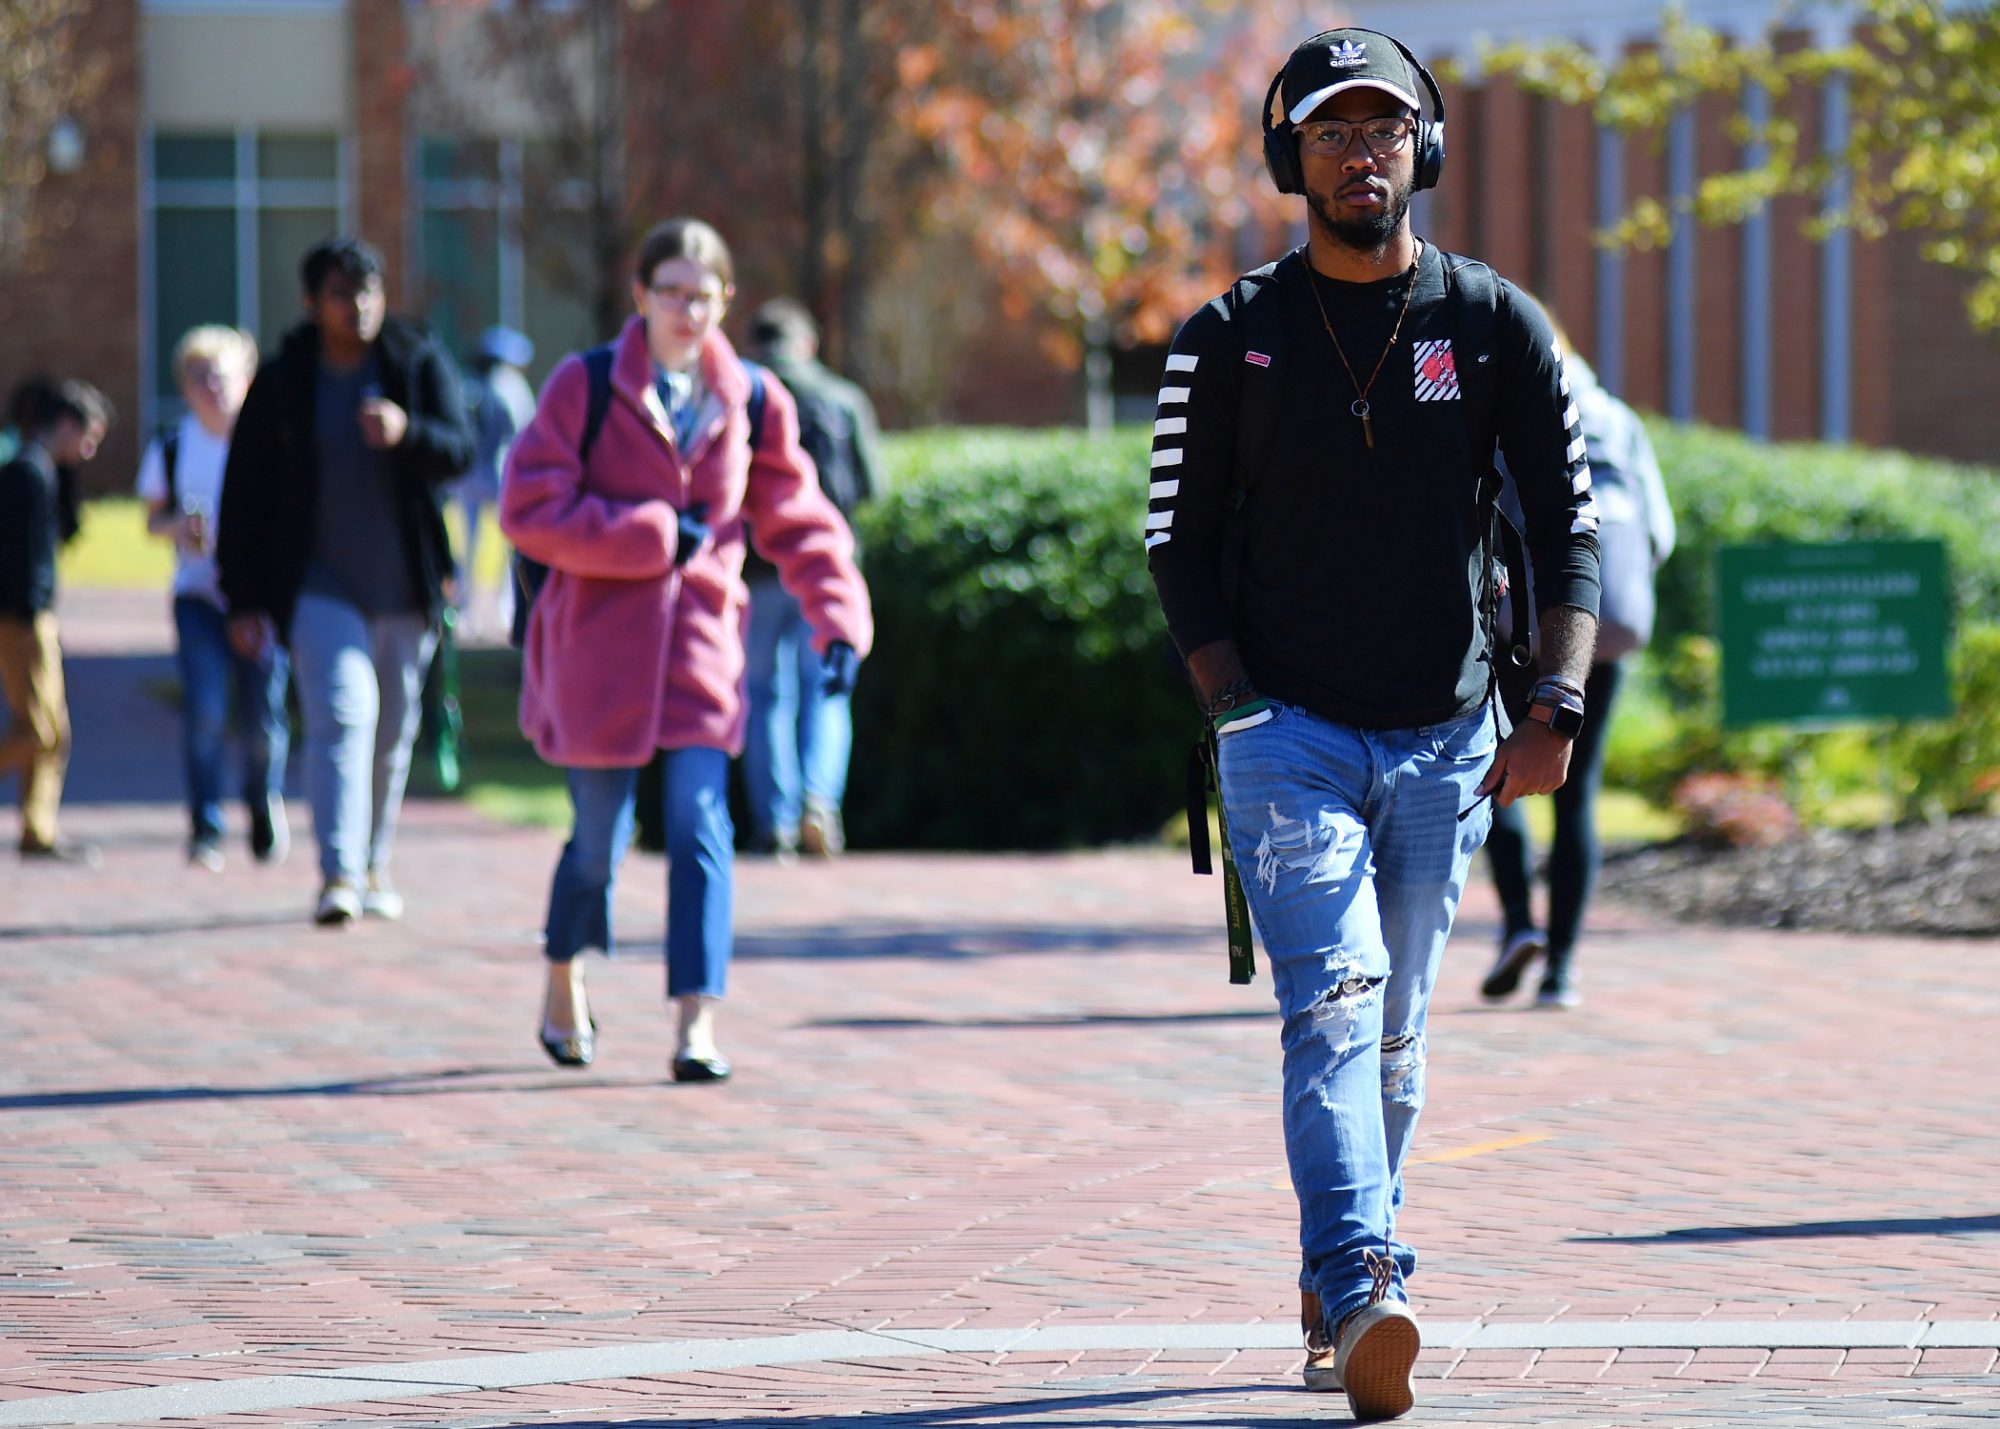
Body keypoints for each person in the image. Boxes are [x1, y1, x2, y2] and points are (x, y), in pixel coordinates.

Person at [1145, 29, 1601, 1421]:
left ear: (1424, 149)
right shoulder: (1229, 338)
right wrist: (1234, 703)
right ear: (1293, 155)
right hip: (1285, 734)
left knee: (1397, 1031)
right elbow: (1175, 542)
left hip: (1448, 737)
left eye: (1387, 128)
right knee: (1333, 1007)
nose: (1363, 152)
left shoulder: (1492, 326)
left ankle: (1336, 1279)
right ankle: (1363, 1281)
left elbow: (1572, 529)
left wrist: (1556, 703)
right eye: (1335, 130)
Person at [501, 218, 872, 1082]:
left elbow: (801, 519)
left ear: (725, 301)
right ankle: (564, 971)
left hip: (705, 647)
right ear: (640, 296)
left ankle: (695, 1023)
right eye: (671, 292)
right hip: (597, 650)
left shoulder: (751, 396)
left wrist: (839, 618)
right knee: (598, 838)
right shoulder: (584, 385)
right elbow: (527, 507)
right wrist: (650, 536)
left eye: (703, 296)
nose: (687, 310)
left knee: (704, 822)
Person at [217, 236, 474, 926]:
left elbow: (461, 449)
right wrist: (242, 597)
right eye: (340, 293)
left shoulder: (414, 361)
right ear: (312, 302)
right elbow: (243, 494)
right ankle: (337, 873)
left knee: (393, 732)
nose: (357, 305)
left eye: (368, 291)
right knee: (342, 717)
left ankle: (373, 861)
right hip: (318, 584)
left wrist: (406, 431)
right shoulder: (283, 382)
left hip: (404, 587)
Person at [1480, 331, 1674, 1009]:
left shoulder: (1510, 414)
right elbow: (1660, 535)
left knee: (1498, 769)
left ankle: (1516, 926)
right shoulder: (1621, 422)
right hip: (1606, 630)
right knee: (1578, 793)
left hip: (1522, 634)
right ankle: (1561, 969)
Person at [138, 325, 292, 872]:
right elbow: (152, 520)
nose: (211, 388)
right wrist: (179, 527)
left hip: (257, 599)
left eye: (220, 376)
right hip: (199, 596)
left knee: (261, 714)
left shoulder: (269, 441)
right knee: (204, 708)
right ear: (185, 388)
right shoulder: (175, 446)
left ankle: (262, 802)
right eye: (199, 378)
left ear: (246, 380)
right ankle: (205, 822)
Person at [742, 298, 881, 859]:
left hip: (754, 573)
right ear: (809, 344)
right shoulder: (842, 398)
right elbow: (872, 486)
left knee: (761, 696)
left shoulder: (742, 397)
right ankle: (820, 801)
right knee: (826, 691)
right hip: (826, 573)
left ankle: (773, 822)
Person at [1, 379, 113, 864]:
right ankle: (36, 826)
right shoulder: (25, 474)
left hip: (36, 614)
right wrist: (26, 614)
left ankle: (37, 828)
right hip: (21, 617)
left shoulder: (46, 471)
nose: (88, 451)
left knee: (55, 733)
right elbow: (17, 556)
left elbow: (68, 530)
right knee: (38, 732)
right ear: (65, 425)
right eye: (87, 438)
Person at [455, 325, 537, 637]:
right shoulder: (511, 385)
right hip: (502, 476)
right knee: (510, 543)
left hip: (470, 476)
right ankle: (503, 605)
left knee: (470, 544)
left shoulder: (469, 383)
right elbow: (524, 432)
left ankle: (465, 608)